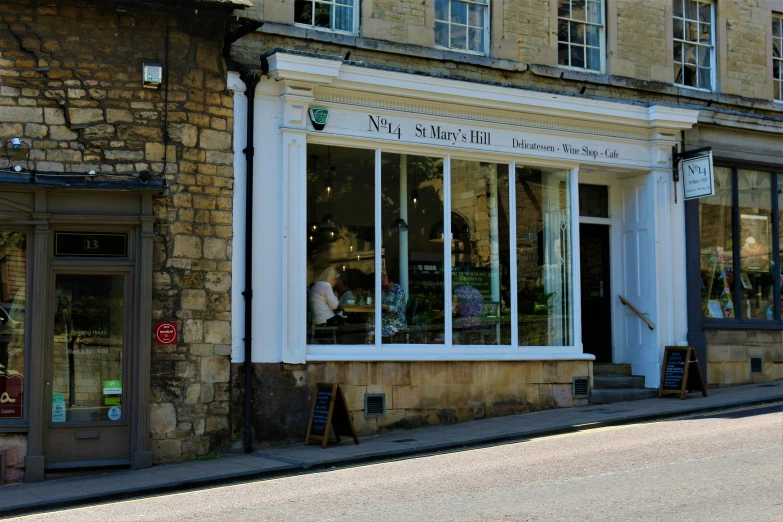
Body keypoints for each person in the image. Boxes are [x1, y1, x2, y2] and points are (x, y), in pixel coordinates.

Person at [367, 271, 406, 341]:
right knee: (371, 320)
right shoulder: (383, 291)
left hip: (397, 320)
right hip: (385, 318)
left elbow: (397, 308)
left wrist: (383, 306)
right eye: (380, 277)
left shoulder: (398, 289)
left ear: (389, 277)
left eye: (384, 276)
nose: (382, 279)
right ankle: (370, 342)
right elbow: (377, 304)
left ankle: (373, 343)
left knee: (376, 326)